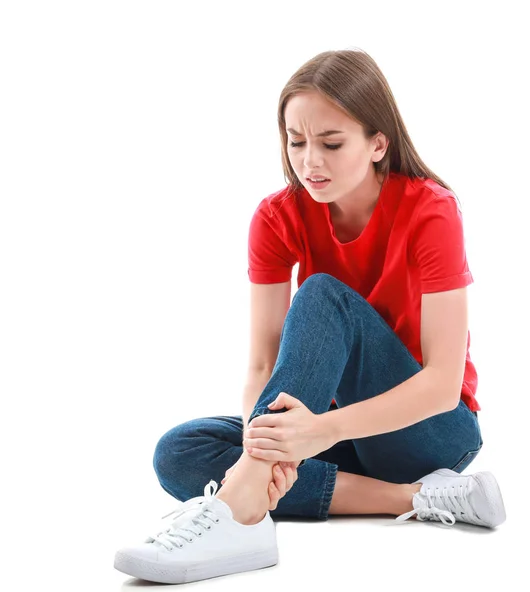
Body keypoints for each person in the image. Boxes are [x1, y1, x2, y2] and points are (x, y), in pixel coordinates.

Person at [114, 48, 506, 585]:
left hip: (432, 432)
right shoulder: (277, 218)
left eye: (330, 143)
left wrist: (313, 435)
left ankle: (244, 512)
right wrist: (271, 444)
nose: (309, 162)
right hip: (334, 434)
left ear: (377, 143)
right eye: (296, 142)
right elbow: (261, 365)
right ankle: (412, 498)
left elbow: (442, 385)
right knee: (180, 452)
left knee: (322, 294)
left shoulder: (430, 210)